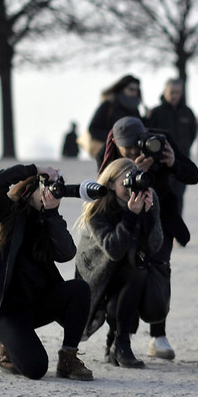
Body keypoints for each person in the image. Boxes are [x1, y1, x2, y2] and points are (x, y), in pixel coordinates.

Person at [0, 164, 93, 381]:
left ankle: (68, 357)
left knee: (79, 289)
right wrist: (35, 168)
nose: (49, 192)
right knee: (36, 369)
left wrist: (52, 215)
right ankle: (7, 343)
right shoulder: (7, 214)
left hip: (38, 304)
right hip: (7, 313)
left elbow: (67, 253)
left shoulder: (48, 220)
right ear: (30, 188)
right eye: (45, 186)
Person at [98, 116, 198, 360]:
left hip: (160, 220)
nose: (133, 151)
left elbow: (193, 175)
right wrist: (133, 172)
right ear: (116, 143)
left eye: (137, 144)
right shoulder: (107, 153)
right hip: (126, 221)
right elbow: (103, 188)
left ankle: (158, 335)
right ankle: (118, 336)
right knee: (125, 275)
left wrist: (173, 163)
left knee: (158, 272)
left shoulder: (160, 142)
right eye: (127, 148)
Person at [74, 158, 164, 368]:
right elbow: (113, 251)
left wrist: (149, 214)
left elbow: (155, 246)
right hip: (97, 271)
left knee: (137, 272)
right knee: (127, 277)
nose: (131, 189)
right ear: (111, 183)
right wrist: (131, 216)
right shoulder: (98, 206)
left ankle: (119, 343)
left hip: (129, 269)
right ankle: (117, 344)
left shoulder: (147, 198)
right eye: (126, 183)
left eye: (134, 182)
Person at [87, 74, 142, 162]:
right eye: (131, 89)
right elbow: (93, 128)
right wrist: (116, 140)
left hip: (131, 155)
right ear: (122, 88)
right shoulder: (109, 105)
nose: (134, 93)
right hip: (109, 154)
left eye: (137, 90)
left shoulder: (135, 109)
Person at [146, 78, 198, 161]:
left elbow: (192, 133)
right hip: (161, 159)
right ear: (165, 92)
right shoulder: (155, 113)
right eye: (171, 92)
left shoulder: (188, 112)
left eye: (177, 93)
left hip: (182, 158)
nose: (174, 96)